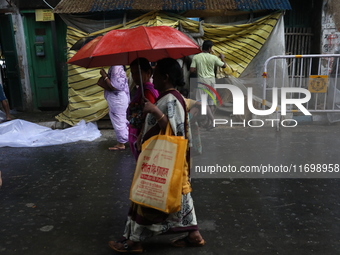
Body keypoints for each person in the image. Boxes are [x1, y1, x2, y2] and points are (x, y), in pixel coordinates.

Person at [108, 58, 205, 253]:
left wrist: (154, 111)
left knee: (146, 196)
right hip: (165, 157)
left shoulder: (171, 99)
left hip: (161, 157)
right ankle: (193, 234)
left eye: (156, 74)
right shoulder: (167, 97)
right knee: (180, 194)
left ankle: (135, 240)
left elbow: (176, 133)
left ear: (165, 77)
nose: (153, 77)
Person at [128, 58, 159, 160]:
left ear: (148, 72)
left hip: (144, 134)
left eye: (138, 73)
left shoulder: (147, 92)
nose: (135, 77)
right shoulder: (140, 90)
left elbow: (150, 118)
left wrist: (141, 135)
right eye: (133, 73)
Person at [190, 40, 226, 116]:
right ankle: (209, 122)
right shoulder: (214, 58)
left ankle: (207, 120)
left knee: (201, 102)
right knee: (211, 103)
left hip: (202, 82)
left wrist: (198, 68)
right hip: (212, 82)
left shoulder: (196, 57)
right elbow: (224, 65)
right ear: (209, 48)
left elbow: (192, 70)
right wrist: (222, 58)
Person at [98, 65, 130, 150]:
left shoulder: (116, 67)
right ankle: (126, 139)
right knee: (121, 120)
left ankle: (121, 143)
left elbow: (114, 86)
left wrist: (104, 76)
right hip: (119, 99)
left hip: (117, 100)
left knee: (119, 121)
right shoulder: (118, 67)